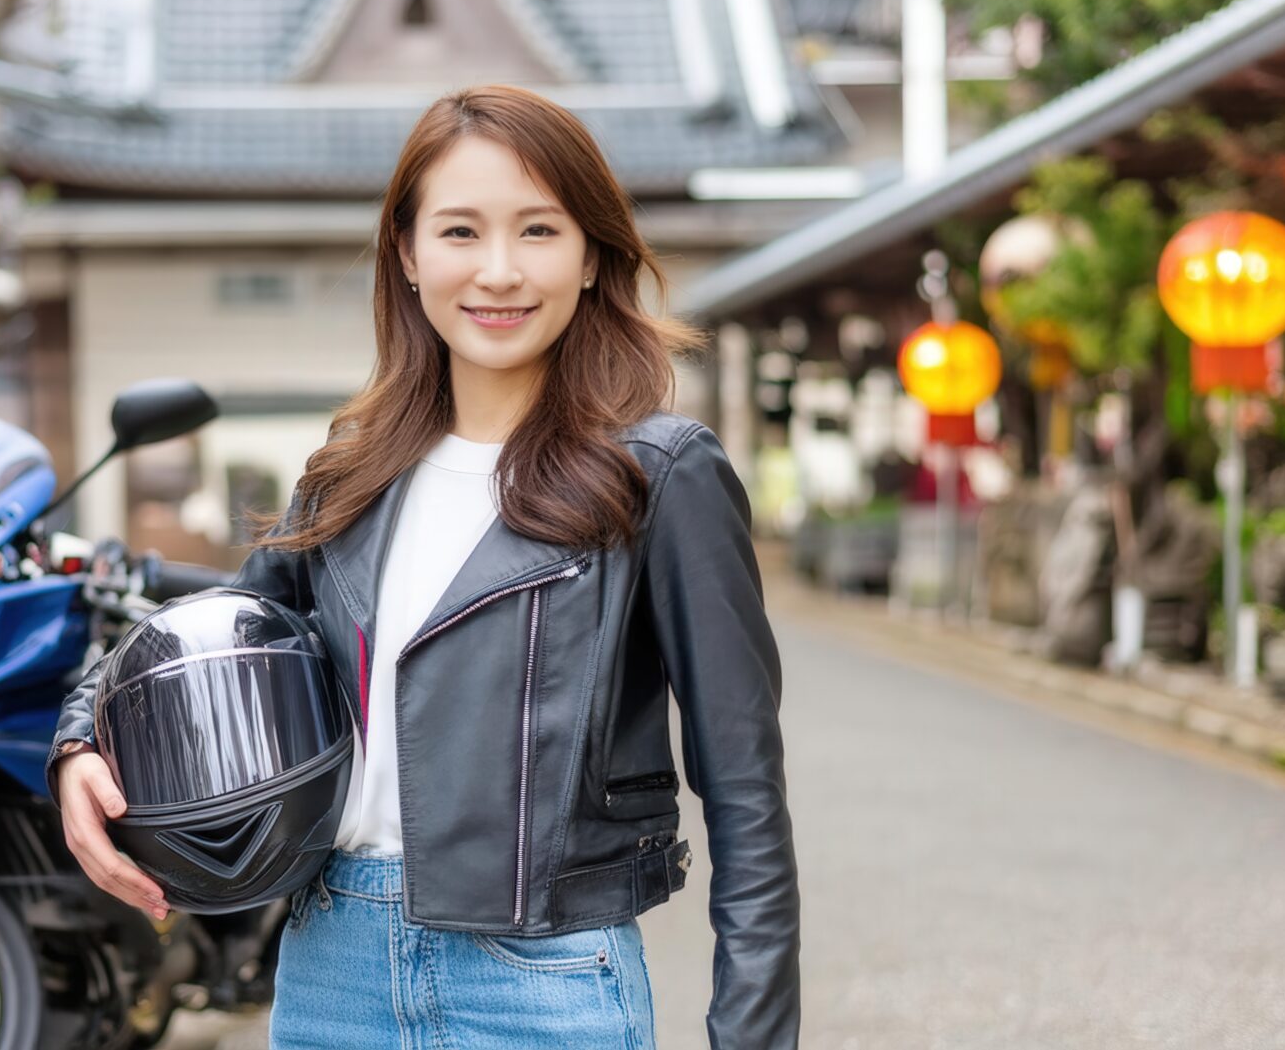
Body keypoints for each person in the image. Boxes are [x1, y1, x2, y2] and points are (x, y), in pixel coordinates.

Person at [49, 84, 799, 1049]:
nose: (498, 271)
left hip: (546, 974)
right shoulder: (352, 467)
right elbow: (225, 620)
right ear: (406, 253)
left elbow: (745, 791)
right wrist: (80, 739)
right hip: (332, 965)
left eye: (538, 230)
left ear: (590, 256)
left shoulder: (660, 472)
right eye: (458, 232)